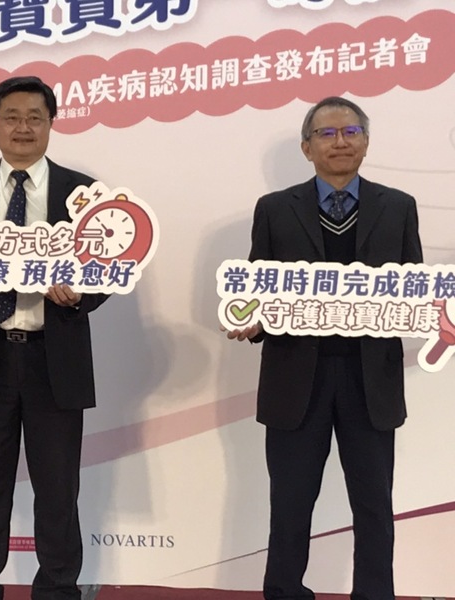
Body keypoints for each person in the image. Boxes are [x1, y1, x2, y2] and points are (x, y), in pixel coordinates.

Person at [227, 97, 423, 600]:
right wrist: (252, 321)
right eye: (327, 133)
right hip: (296, 379)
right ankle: (285, 591)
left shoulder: (399, 206)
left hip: (370, 379)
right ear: (307, 147)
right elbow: (258, 288)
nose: (340, 142)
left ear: (366, 142)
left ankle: (375, 594)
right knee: (290, 503)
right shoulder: (275, 209)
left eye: (351, 132)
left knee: (374, 505)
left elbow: (414, 288)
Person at [0, 76, 108, 600]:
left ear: (52, 123)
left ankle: (57, 589)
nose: (23, 127)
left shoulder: (84, 193)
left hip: (54, 359)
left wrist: (80, 294)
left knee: (58, 489)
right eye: (11, 117)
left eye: (35, 117)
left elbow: (108, 267)